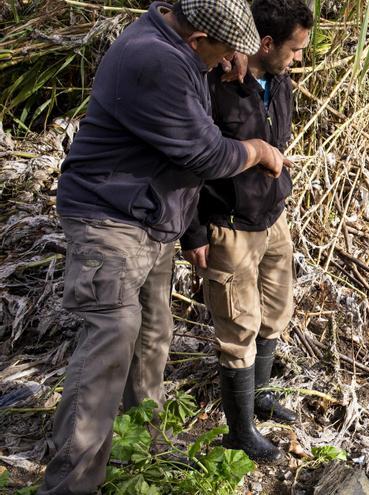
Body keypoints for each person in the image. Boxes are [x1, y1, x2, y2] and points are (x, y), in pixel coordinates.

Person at [38, 0, 292, 492]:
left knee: (153, 332)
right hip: (108, 220)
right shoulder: (155, 58)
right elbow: (206, 152)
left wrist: (224, 57)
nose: (229, 61)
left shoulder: (177, 40)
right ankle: (71, 483)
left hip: (152, 219)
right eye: (221, 51)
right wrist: (259, 150)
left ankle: (141, 439)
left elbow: (202, 74)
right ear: (197, 40)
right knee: (109, 345)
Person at [180, 0, 312, 463]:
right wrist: (193, 232)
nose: (299, 59)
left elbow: (279, 141)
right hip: (228, 227)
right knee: (238, 327)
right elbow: (190, 163)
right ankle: (240, 432)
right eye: (294, 50)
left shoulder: (278, 82)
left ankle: (259, 397)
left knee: (275, 313)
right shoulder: (213, 84)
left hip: (273, 219)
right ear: (266, 42)